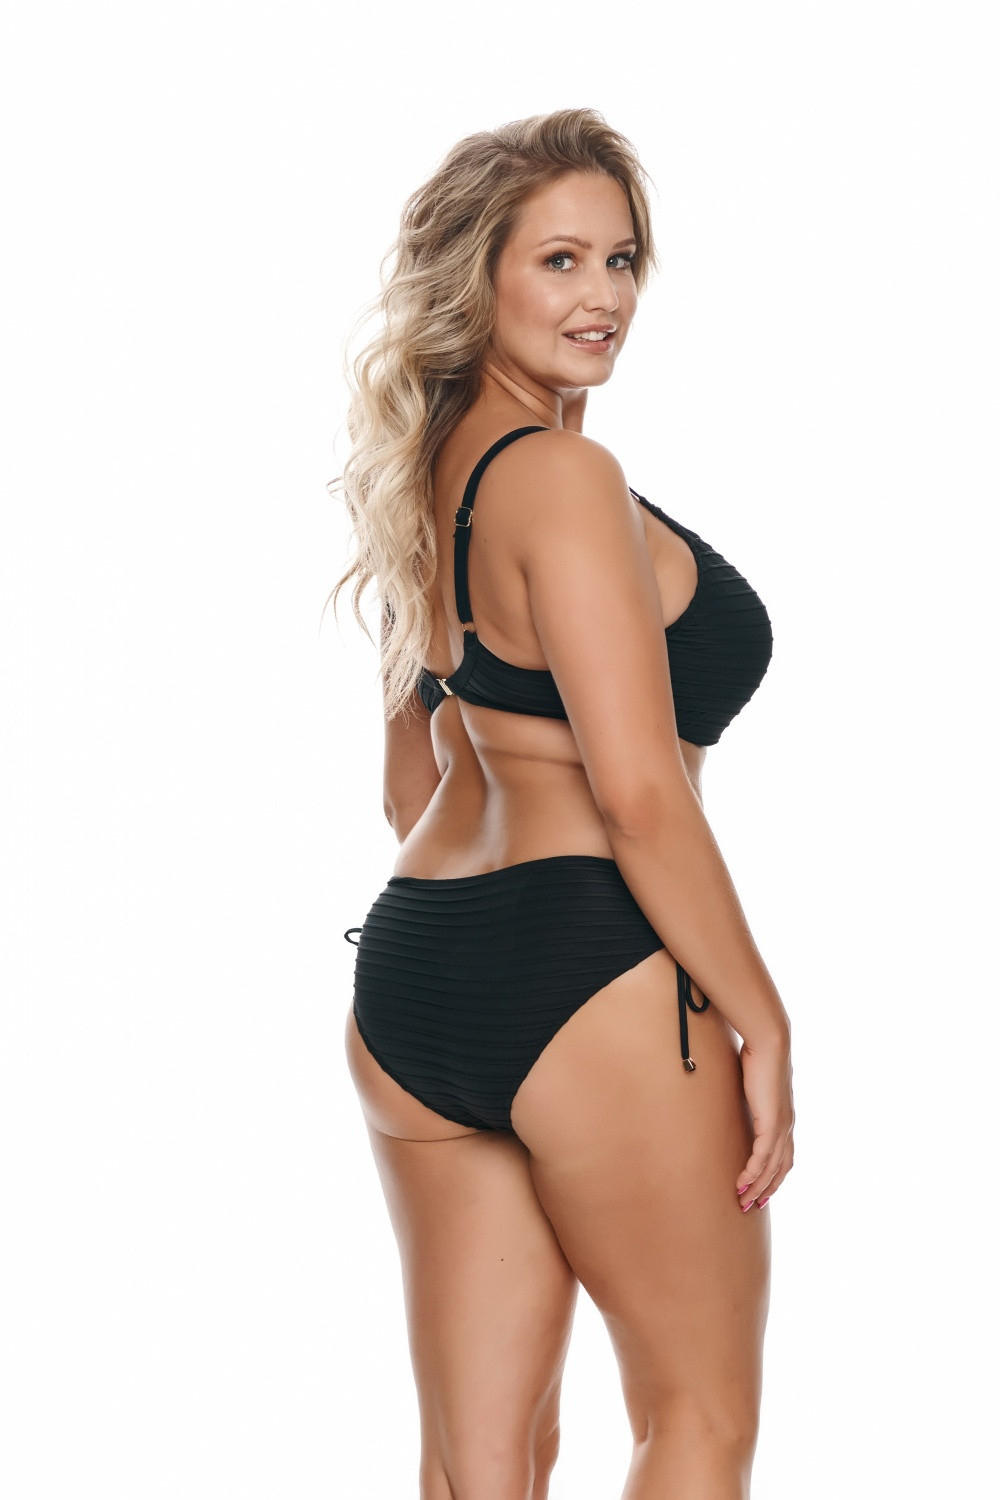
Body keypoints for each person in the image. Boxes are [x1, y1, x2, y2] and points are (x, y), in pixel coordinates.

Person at [334, 107, 795, 1500]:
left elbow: (412, 779)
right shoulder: (565, 477)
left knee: (479, 1467)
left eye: (622, 259)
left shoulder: (426, 474)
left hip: (418, 976)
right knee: (694, 1420)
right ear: (476, 275)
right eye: (559, 261)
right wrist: (762, 1018)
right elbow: (639, 796)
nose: (603, 297)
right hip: (588, 964)